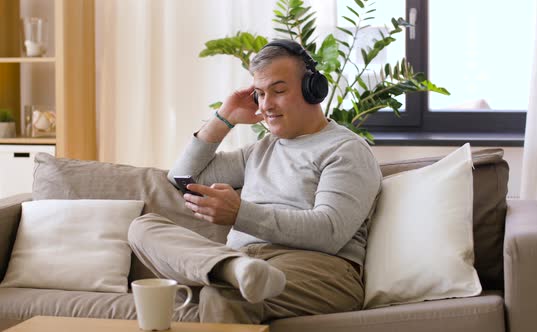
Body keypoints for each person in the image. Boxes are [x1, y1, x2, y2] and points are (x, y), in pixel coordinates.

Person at [127, 39, 382, 324]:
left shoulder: (346, 149)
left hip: (318, 268)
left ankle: (233, 273)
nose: (267, 104)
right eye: (260, 94)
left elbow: (329, 232)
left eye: (279, 91)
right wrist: (225, 117)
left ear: (314, 90)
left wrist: (239, 214)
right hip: (244, 260)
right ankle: (230, 269)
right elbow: (183, 177)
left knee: (225, 294)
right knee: (143, 226)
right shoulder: (260, 149)